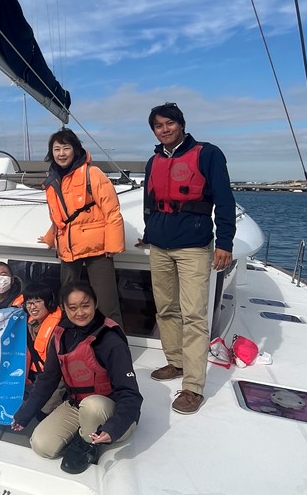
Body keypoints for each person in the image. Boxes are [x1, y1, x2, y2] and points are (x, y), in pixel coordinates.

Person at [141, 102, 236, 415]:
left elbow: (225, 200)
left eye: (169, 123)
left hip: (194, 245)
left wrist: (224, 243)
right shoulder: (153, 161)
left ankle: (193, 387)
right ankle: (176, 361)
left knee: (194, 314)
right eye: (158, 126)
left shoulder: (208, 154)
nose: (164, 129)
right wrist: (149, 231)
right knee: (166, 308)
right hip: (159, 245)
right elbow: (149, 202)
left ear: (181, 124)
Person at [11, 282, 142, 475]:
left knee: (92, 405)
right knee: (42, 446)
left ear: (95, 303)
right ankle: (82, 431)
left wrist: (115, 427)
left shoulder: (110, 339)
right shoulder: (61, 335)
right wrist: (24, 414)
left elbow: (131, 394)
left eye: (85, 305)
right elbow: (48, 379)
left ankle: (87, 444)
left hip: (111, 411)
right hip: (77, 404)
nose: (80, 312)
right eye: (72, 308)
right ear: (63, 308)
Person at [39, 128, 125, 325]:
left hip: (98, 248)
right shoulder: (52, 180)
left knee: (106, 303)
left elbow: (112, 210)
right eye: (56, 149)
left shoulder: (92, 173)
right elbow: (58, 216)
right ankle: (73, 338)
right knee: (68, 301)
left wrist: (113, 245)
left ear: (76, 150)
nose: (61, 153)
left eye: (66, 148)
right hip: (68, 248)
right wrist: (50, 238)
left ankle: (113, 341)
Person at [22, 282, 66, 419]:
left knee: (43, 415)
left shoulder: (60, 330)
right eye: (29, 302)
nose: (32, 306)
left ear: (49, 302)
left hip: (53, 385)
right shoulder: (27, 323)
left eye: (38, 301)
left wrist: (48, 405)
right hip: (32, 381)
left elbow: (61, 374)